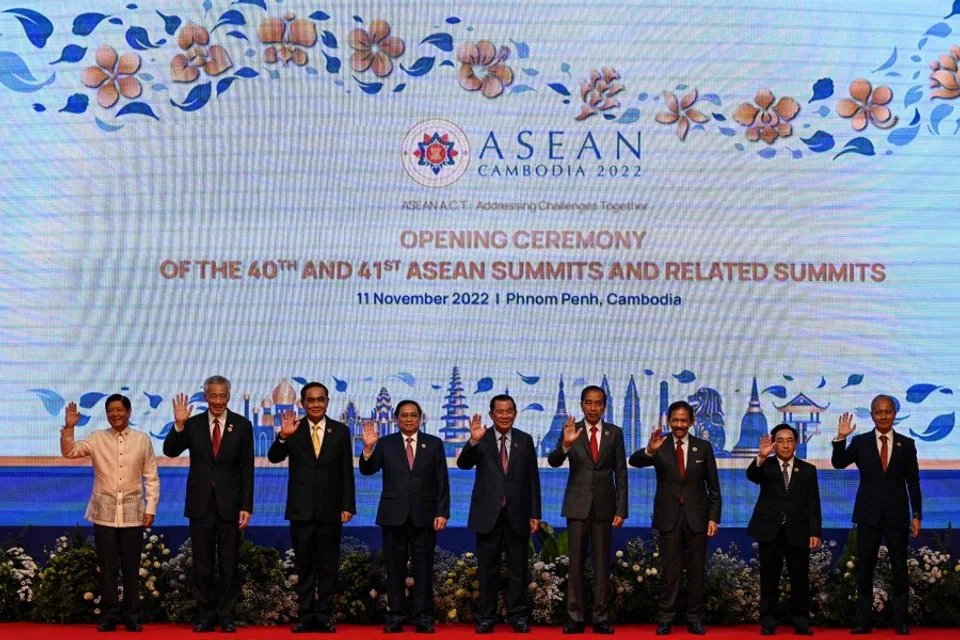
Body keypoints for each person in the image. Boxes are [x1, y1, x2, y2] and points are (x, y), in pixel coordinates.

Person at [61, 394, 159, 632]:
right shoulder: (97, 438)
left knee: (131, 567)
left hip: (133, 511)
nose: (115, 414)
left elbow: (151, 477)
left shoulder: (142, 440)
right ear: (107, 414)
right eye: (111, 410)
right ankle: (109, 615)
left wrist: (151, 508)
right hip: (103, 511)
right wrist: (69, 428)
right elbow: (70, 452)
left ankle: (132, 615)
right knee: (108, 567)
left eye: (119, 410)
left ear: (129, 412)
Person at [164, 375, 254, 633]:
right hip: (200, 504)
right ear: (205, 397)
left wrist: (246, 505)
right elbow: (170, 451)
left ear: (228, 396)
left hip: (231, 505)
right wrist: (178, 425)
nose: (217, 401)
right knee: (202, 564)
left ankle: (226, 616)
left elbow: (247, 470)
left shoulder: (243, 425)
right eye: (212, 396)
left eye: (222, 396)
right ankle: (205, 616)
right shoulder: (191, 424)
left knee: (228, 564)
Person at [268, 381, 355, 633]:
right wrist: (283, 436)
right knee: (305, 566)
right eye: (310, 400)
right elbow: (274, 457)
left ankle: (325, 616)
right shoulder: (293, 429)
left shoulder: (339, 431)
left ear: (327, 402)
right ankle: (305, 616)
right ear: (303, 403)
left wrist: (347, 504)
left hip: (331, 510)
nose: (315, 404)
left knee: (328, 566)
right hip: (301, 510)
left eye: (320, 400)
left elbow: (346, 472)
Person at [629, 400, 721, 636]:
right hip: (668, 518)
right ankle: (665, 619)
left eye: (683, 420)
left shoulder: (703, 447)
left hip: (697, 519)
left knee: (696, 572)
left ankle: (695, 619)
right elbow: (635, 461)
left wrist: (713, 518)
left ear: (692, 421)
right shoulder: (660, 444)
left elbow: (714, 488)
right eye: (675, 420)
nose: (679, 425)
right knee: (670, 572)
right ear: (668, 421)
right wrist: (651, 450)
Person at [832, 395, 922, 636]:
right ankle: (863, 621)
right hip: (868, 515)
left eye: (888, 411)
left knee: (900, 570)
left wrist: (917, 514)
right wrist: (841, 438)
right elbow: (838, 462)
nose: (884, 416)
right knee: (865, 571)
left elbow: (913, 482)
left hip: (898, 516)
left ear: (894, 414)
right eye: (879, 412)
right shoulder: (860, 442)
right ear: (872, 415)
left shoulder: (907, 444)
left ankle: (901, 622)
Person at [359, 400, 450, 634]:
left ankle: (423, 618)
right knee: (394, 570)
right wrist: (368, 449)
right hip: (393, 516)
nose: (408, 419)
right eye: (403, 415)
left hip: (425, 516)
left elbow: (442, 482)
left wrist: (442, 512)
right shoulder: (386, 444)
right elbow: (368, 470)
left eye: (413, 415)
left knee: (424, 570)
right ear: (396, 418)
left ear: (420, 418)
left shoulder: (434, 444)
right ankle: (395, 617)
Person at [457, 394, 541, 634]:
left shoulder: (524, 440)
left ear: (515, 413)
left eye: (509, 411)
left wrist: (535, 512)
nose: (504, 415)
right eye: (499, 411)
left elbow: (532, 479)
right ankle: (486, 617)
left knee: (518, 570)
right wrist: (473, 441)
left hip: (518, 514)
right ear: (491, 414)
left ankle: (518, 616)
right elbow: (463, 464)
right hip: (487, 514)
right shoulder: (481, 439)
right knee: (487, 569)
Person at [547, 385, 627, 634]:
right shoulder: (571, 430)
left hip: (605, 506)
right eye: (589, 403)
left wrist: (621, 508)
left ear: (604, 406)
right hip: (577, 506)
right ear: (582, 404)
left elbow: (621, 473)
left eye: (598, 403)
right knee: (576, 565)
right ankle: (575, 617)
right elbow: (553, 460)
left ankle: (601, 617)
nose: (593, 408)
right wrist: (566, 445)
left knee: (602, 564)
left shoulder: (615, 433)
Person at [746, 424, 821, 636]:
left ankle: (801, 621)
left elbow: (813, 504)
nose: (785, 444)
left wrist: (815, 532)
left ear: (796, 443)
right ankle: (769, 621)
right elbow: (752, 475)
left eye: (789, 440)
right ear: (774, 443)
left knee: (800, 579)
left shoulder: (807, 470)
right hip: (770, 531)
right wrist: (760, 456)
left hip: (798, 532)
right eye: (780, 440)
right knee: (769, 579)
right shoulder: (766, 466)